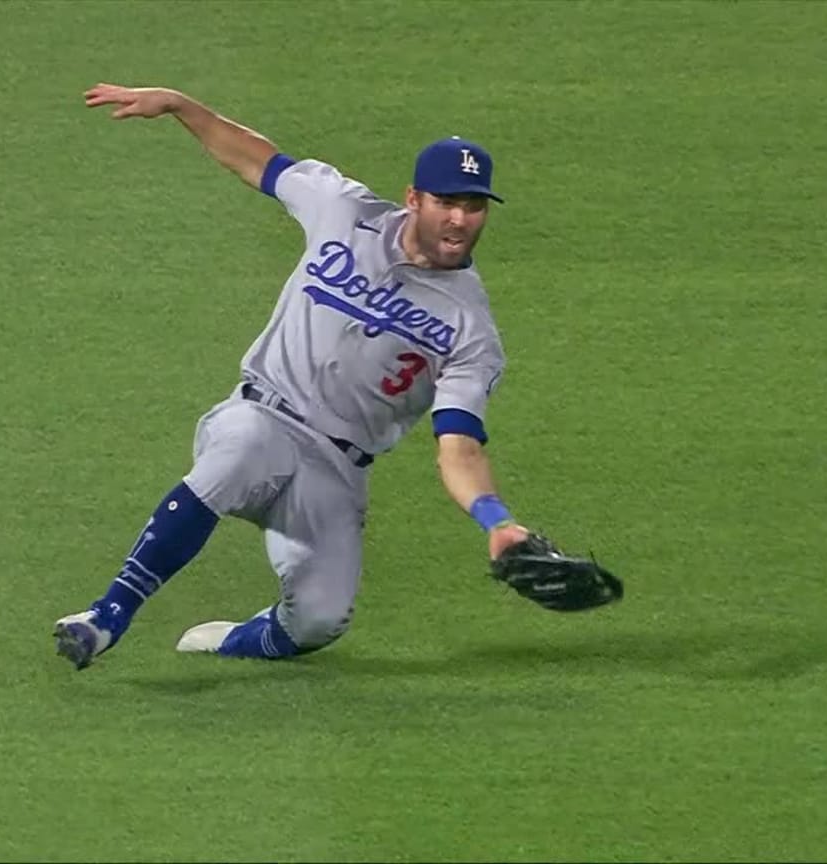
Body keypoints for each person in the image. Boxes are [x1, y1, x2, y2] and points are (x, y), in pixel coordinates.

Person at [53, 81, 531, 669]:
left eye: (474, 205)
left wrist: (497, 521)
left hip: (336, 469)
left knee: (319, 620)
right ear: (413, 198)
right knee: (244, 449)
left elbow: (458, 446)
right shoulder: (344, 209)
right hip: (263, 414)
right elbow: (258, 159)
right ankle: (106, 615)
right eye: (446, 202)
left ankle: (233, 641)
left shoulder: (470, 328)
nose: (460, 219)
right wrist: (181, 105)